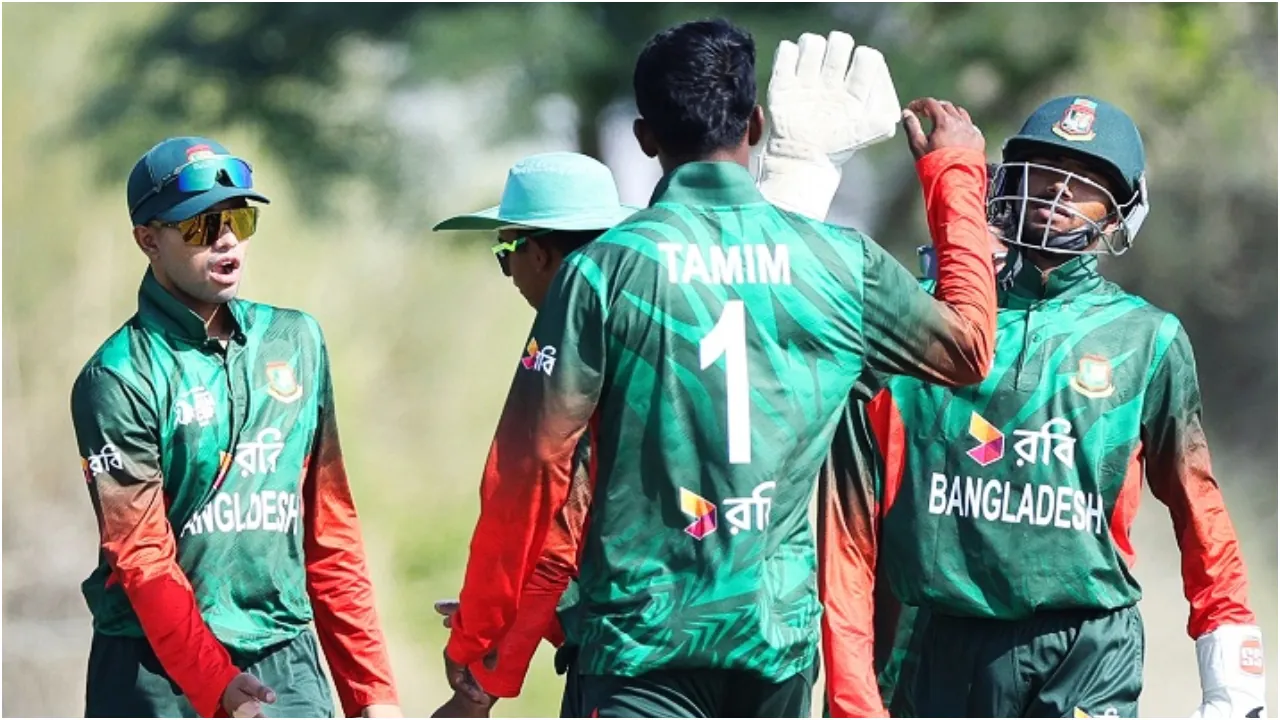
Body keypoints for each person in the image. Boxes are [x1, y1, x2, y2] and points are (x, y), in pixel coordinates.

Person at [441, 15, 998, 719]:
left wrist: (481, 645)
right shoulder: (840, 263)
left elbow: (530, 475)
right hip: (773, 647)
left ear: (644, 138)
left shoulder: (603, 271)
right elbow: (969, 349)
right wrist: (953, 175)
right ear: (756, 124)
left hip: (642, 649)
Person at [822, 96, 1268, 718]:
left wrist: (1233, 675)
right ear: (1008, 181)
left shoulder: (1146, 338)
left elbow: (1198, 508)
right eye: (1046, 169)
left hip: (1087, 648)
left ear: (1121, 211)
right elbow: (852, 513)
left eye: (1085, 181)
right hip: (942, 639)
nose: (1058, 191)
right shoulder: (926, 321)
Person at [69, 136, 401, 718]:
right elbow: (142, 556)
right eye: (200, 226)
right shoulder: (118, 376)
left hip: (285, 659)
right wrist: (215, 684)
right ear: (148, 240)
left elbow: (330, 528)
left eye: (239, 220)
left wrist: (371, 692)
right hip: (155, 669)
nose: (226, 239)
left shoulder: (295, 341)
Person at [428, 151, 638, 719]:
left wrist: (479, 653)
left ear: (539, 254)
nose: (511, 275)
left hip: (625, 655)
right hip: (751, 639)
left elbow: (547, 522)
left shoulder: (570, 339)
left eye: (506, 255)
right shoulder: (664, 326)